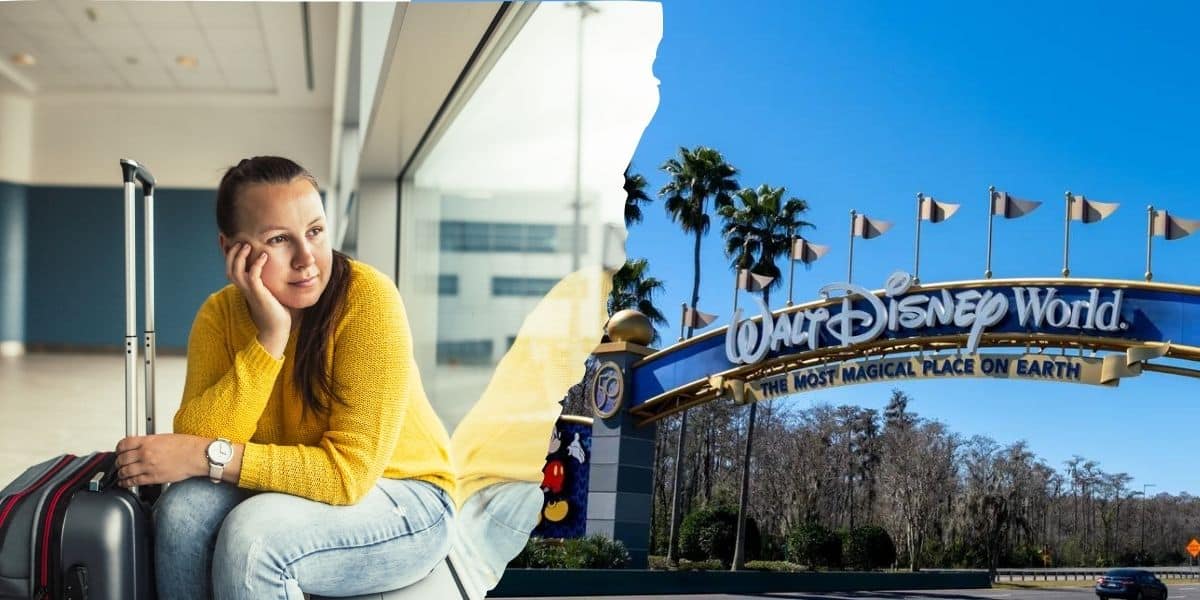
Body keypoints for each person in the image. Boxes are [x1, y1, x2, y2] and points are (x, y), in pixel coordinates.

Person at [113, 156, 456, 600]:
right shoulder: (220, 315)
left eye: (315, 231)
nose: (307, 258)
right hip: (298, 486)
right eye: (278, 239)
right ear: (230, 249)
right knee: (181, 512)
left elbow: (345, 475)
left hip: (405, 497)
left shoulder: (368, 300)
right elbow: (199, 440)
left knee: (253, 541)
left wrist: (208, 456)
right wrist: (270, 338)